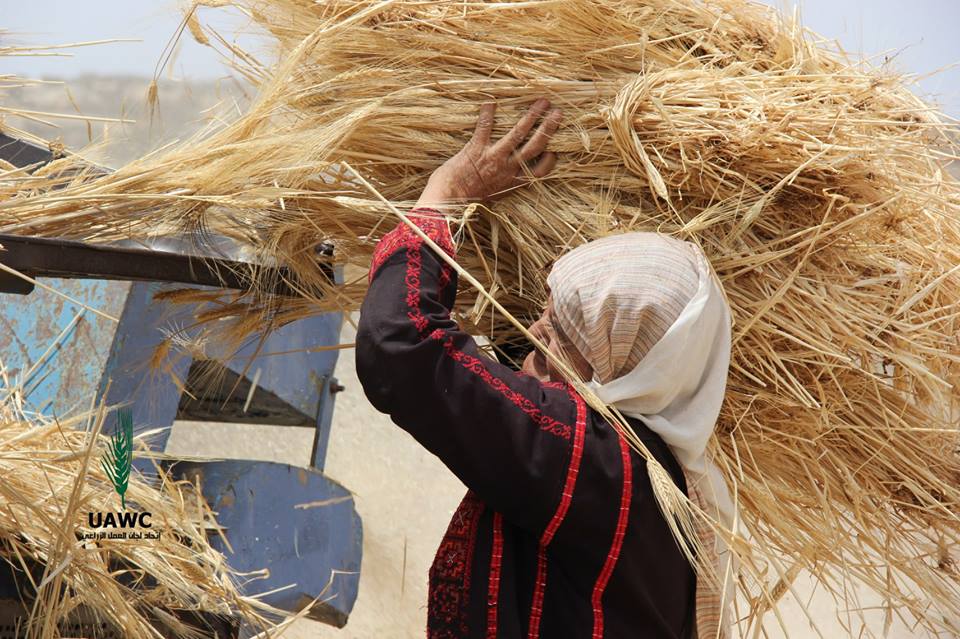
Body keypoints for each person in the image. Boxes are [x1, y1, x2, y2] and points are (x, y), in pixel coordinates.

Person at [356, 98, 734, 638]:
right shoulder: (662, 479)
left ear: (614, 360)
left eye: (559, 331)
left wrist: (446, 196)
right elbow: (518, 364)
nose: (534, 334)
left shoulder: (592, 462)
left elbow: (401, 345)